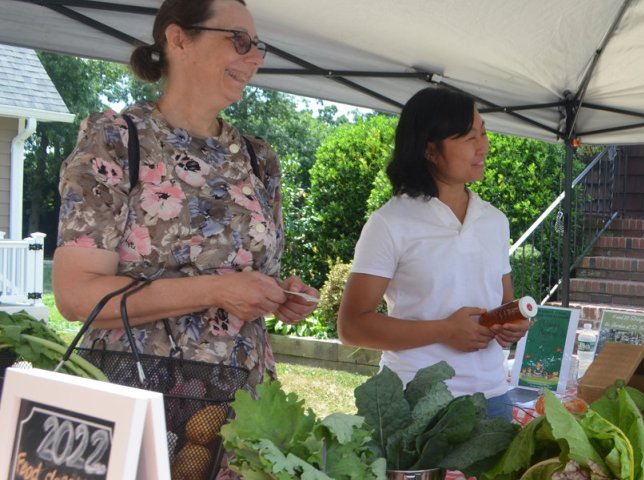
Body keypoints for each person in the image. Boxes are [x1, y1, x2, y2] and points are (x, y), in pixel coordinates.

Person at [53, 0, 319, 391]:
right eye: (239, 40)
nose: (255, 59)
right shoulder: (116, 141)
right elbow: (76, 296)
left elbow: (252, 275)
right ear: (179, 39)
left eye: (257, 46)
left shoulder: (258, 158)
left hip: (240, 403)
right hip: (138, 398)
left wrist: (278, 294)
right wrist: (216, 291)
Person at [338, 87, 529, 421]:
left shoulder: (495, 221)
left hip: (492, 398)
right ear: (430, 148)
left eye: (483, 133)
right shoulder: (390, 222)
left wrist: (512, 324)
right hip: (414, 403)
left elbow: (503, 306)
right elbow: (352, 326)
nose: (483, 145)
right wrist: (445, 330)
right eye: (469, 137)